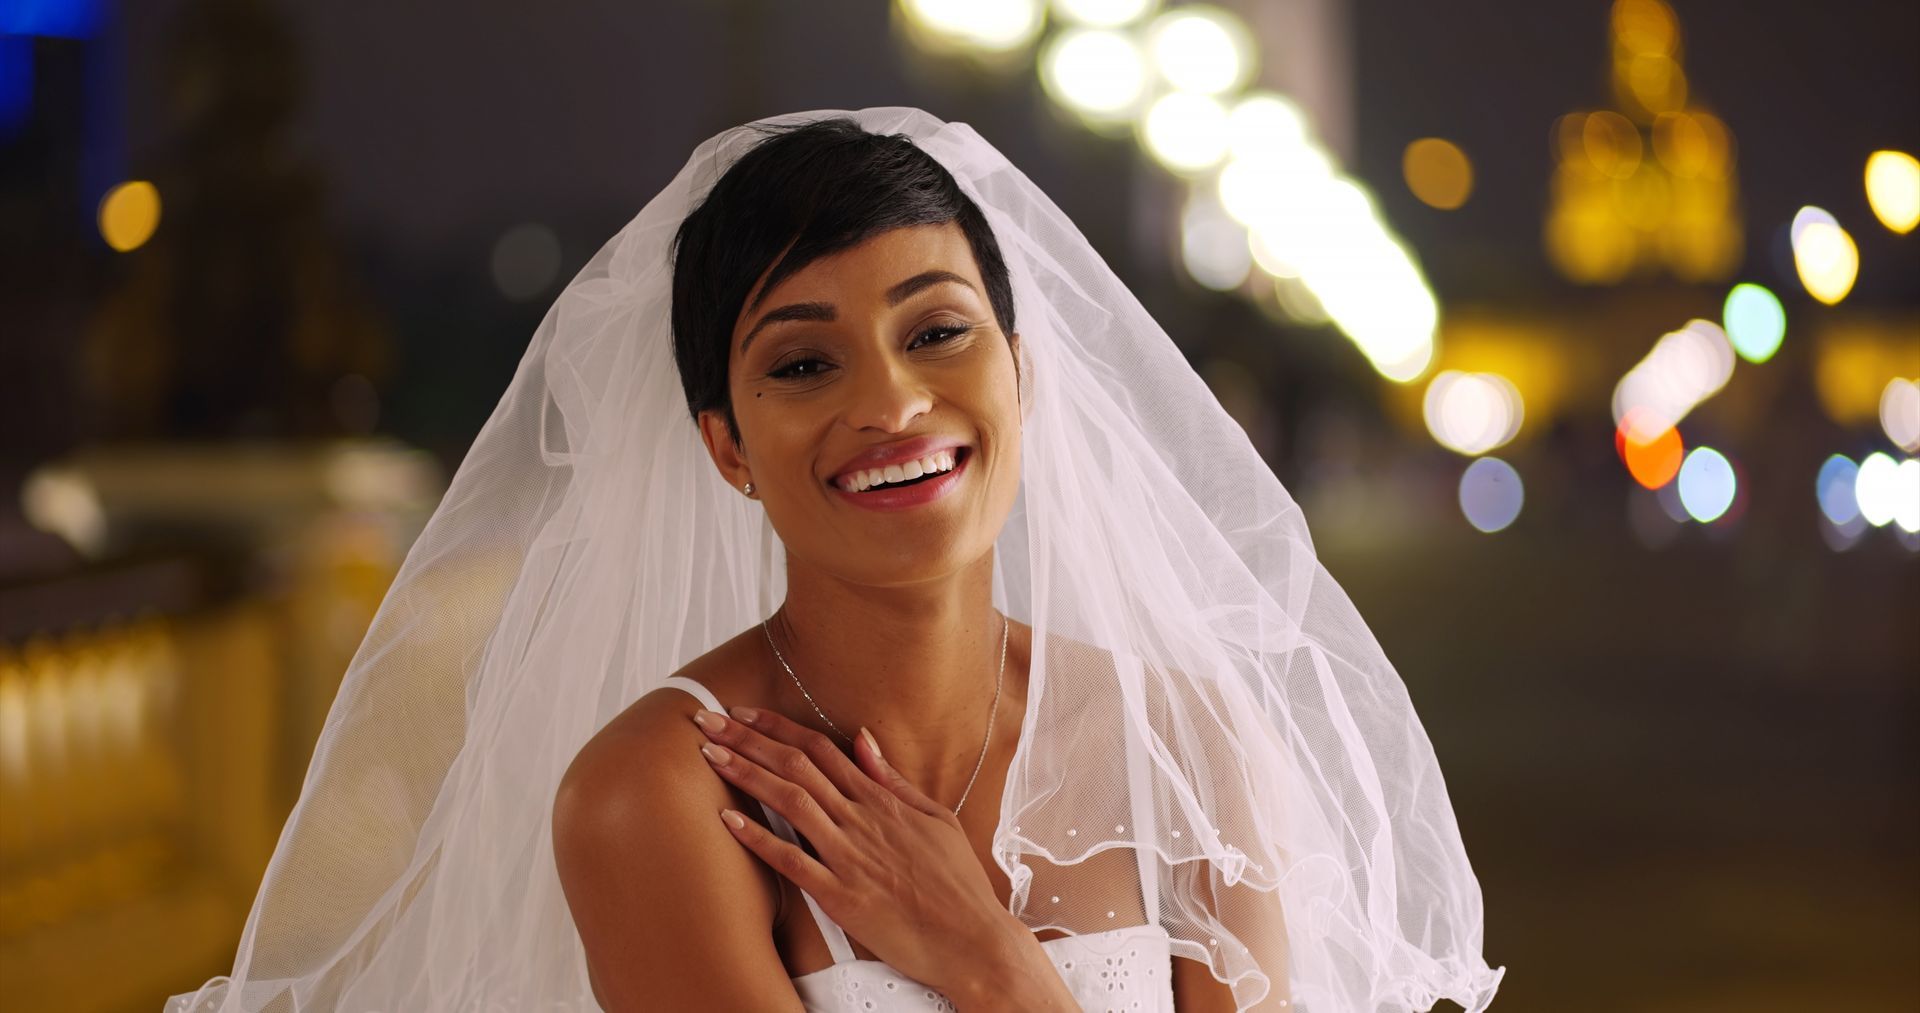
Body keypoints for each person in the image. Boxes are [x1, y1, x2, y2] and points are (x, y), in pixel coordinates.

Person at [167, 107, 1505, 1013]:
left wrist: (987, 961)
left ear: (1021, 374)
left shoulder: (1184, 744)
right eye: (805, 363)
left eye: (938, 332)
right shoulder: (659, 796)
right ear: (728, 447)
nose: (893, 403)